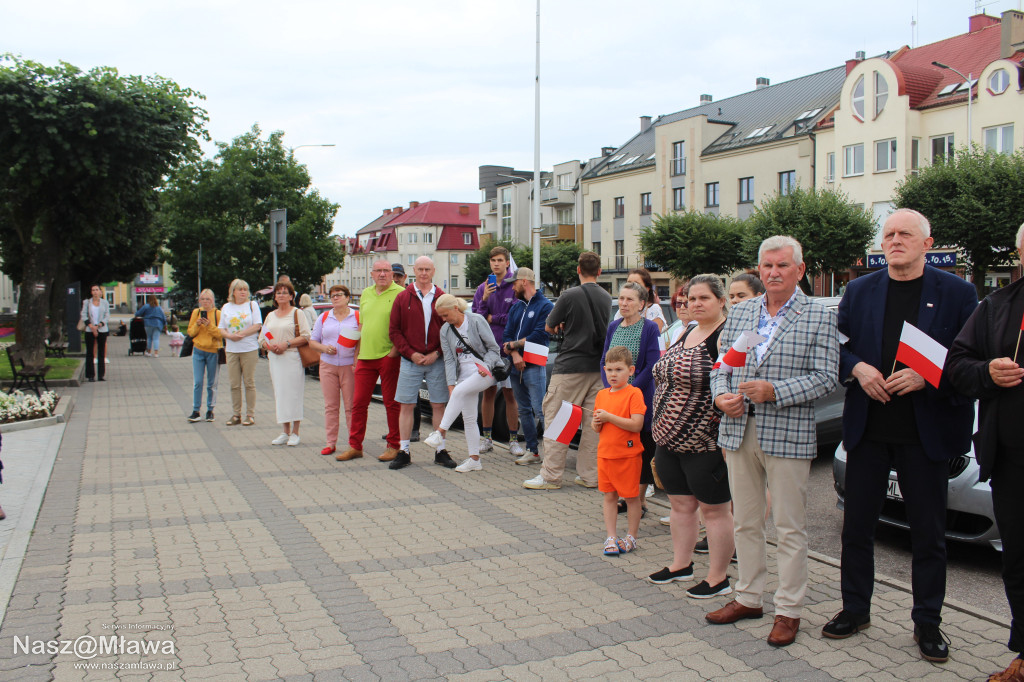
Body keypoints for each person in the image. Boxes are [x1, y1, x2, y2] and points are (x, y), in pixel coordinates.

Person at [825, 208, 976, 662]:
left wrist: (927, 376)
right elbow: (834, 347)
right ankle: (855, 609)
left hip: (924, 431)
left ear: (927, 244)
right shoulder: (859, 289)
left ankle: (927, 622)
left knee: (928, 535)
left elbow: (968, 358)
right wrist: (856, 367)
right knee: (856, 529)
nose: (895, 240)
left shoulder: (957, 292)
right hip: (869, 429)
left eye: (905, 234)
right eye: (888, 234)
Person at [704, 235, 839, 648]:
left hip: (788, 433)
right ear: (758, 270)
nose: (774, 273)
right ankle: (748, 596)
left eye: (782, 266)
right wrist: (721, 396)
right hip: (738, 430)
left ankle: (789, 609)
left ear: (799, 270)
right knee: (745, 520)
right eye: (767, 266)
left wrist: (775, 391)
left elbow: (826, 376)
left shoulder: (818, 315)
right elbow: (721, 366)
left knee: (789, 526)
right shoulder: (743, 311)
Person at [948, 222, 1024, 682]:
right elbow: (958, 364)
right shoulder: (997, 305)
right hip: (1013, 460)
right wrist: (986, 372)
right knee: (1017, 561)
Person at [647, 274, 734, 598]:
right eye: (690, 299)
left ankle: (718, 578)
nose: (695, 304)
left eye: (703, 299)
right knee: (681, 506)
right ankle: (681, 565)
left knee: (714, 510)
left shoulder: (725, 337)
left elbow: (731, 388)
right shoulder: (688, 330)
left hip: (704, 443)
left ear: (721, 301)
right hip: (668, 440)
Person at [524, 251, 611, 490]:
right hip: (598, 369)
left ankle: (551, 476)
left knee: (557, 420)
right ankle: (590, 476)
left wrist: (562, 324)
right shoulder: (606, 296)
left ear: (578, 269)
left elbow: (549, 326)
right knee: (593, 426)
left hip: (570, 366)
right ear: (600, 271)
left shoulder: (569, 295)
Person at [388, 256, 454, 470]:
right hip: (410, 360)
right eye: (420, 269)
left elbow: (451, 330)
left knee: (438, 405)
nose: (424, 273)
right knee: (406, 405)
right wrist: (410, 353)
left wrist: (437, 353)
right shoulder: (402, 297)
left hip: (436, 360)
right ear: (414, 271)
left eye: (427, 269)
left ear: (433, 271)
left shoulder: (443, 297)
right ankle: (404, 450)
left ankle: (440, 450)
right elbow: (394, 331)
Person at [602, 282, 660, 515]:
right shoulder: (613, 326)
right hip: (615, 397)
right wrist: (610, 387)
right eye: (621, 298)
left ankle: (640, 499)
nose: (623, 303)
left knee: (642, 448)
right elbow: (604, 360)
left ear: (642, 304)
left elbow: (651, 364)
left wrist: (630, 390)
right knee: (620, 446)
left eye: (630, 300)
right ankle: (623, 494)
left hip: (639, 396)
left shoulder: (649, 328)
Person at [426, 295, 499, 472]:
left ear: (455, 309)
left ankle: (440, 433)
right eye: (441, 316)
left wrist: (486, 366)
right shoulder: (445, 330)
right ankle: (474, 460)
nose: (444, 319)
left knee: (460, 394)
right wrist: (451, 385)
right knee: (469, 418)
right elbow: (450, 360)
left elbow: (494, 349)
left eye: (445, 315)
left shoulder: (476, 320)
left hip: (485, 371)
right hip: (464, 375)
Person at [341, 260, 405, 462]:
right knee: (358, 403)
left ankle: (394, 445)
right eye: (379, 271)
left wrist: (394, 352)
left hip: (388, 356)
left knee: (391, 403)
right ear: (372, 273)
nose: (383, 274)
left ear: (392, 274)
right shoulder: (366, 294)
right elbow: (362, 326)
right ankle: (355, 446)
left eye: (387, 271)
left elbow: (404, 327)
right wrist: (356, 354)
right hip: (365, 357)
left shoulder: (400, 293)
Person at [593, 346, 647, 556]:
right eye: (609, 370)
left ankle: (631, 536)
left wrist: (608, 417)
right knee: (609, 497)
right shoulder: (601, 394)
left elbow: (636, 425)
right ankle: (611, 536)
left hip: (627, 455)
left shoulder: (634, 393)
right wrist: (597, 422)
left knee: (632, 497)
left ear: (631, 370)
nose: (613, 375)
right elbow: (596, 426)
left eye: (618, 370)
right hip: (605, 454)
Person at [472, 246, 523, 456]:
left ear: (507, 262)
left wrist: (495, 318)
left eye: (500, 260)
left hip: (509, 350)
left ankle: (513, 440)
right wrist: (484, 299)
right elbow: (476, 317)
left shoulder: (515, 286)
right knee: (488, 394)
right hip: (488, 352)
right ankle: (487, 439)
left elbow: (515, 317)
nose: (496, 263)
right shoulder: (483, 287)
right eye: (493, 260)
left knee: (511, 396)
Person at [503, 268, 553, 466]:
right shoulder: (515, 307)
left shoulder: (545, 305)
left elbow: (540, 335)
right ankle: (532, 451)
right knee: (524, 410)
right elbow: (506, 336)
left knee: (541, 410)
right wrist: (514, 353)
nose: (511, 287)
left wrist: (514, 345)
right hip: (516, 366)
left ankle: (551, 453)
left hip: (534, 364)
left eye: (513, 283)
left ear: (524, 282)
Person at [308, 285, 358, 457]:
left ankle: (354, 443)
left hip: (348, 365)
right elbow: (312, 341)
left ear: (347, 298)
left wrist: (356, 360)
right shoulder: (324, 317)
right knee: (331, 406)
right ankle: (330, 443)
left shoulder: (356, 317)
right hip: (328, 365)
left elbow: (361, 341)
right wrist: (324, 348)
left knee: (351, 406)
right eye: (333, 295)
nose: (336, 298)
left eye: (339, 295)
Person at [259, 281, 310, 446]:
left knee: (293, 394)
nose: (281, 295)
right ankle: (284, 431)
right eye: (278, 292)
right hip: (275, 359)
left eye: (284, 292)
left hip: (291, 356)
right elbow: (262, 337)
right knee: (280, 394)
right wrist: (269, 346)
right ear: (274, 297)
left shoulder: (297, 313)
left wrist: (286, 344)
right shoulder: (271, 315)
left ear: (291, 296)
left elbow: (305, 336)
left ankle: (296, 432)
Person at [219, 279, 263, 426]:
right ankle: (236, 414)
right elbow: (221, 328)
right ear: (233, 292)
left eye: (245, 289)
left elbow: (257, 325)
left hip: (248, 348)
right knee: (234, 384)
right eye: (240, 289)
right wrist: (230, 336)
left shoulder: (252, 305)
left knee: (249, 382)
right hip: (231, 349)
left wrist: (242, 334)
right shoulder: (226, 307)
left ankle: (250, 414)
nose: (243, 292)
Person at [386, 262, 420, 442]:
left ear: (405, 277)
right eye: (394, 275)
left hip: (409, 351)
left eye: (399, 276)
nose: (396, 278)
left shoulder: (410, 295)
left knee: (412, 393)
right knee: (396, 393)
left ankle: (414, 430)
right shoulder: (387, 294)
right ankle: (397, 429)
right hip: (393, 349)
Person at [186, 289, 223, 422]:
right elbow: (190, 332)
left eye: (208, 299)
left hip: (213, 351)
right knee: (198, 382)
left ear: (213, 301)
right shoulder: (196, 313)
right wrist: (197, 324)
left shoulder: (218, 314)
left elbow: (220, 334)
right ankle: (196, 410)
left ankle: (210, 409)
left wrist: (209, 325)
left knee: (212, 383)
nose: (205, 302)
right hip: (198, 350)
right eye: (203, 299)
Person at [615, 268, 667, 333]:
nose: (632, 287)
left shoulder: (653, 310)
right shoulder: (621, 311)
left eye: (636, 284)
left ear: (647, 288)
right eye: (629, 283)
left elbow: (653, 336)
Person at [81, 285, 110, 382]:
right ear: (91, 292)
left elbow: (107, 315)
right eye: (93, 290)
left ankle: (101, 375)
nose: (95, 292)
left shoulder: (104, 302)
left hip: (102, 329)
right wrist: (91, 326)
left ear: (100, 292)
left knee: (101, 352)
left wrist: (99, 325)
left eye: (97, 290)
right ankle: (90, 375)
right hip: (90, 329)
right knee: (90, 352)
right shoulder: (87, 302)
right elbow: (84, 315)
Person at [660, 282, 691, 349]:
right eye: (679, 303)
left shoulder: (699, 331)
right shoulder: (677, 331)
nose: (682, 307)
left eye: (687, 303)